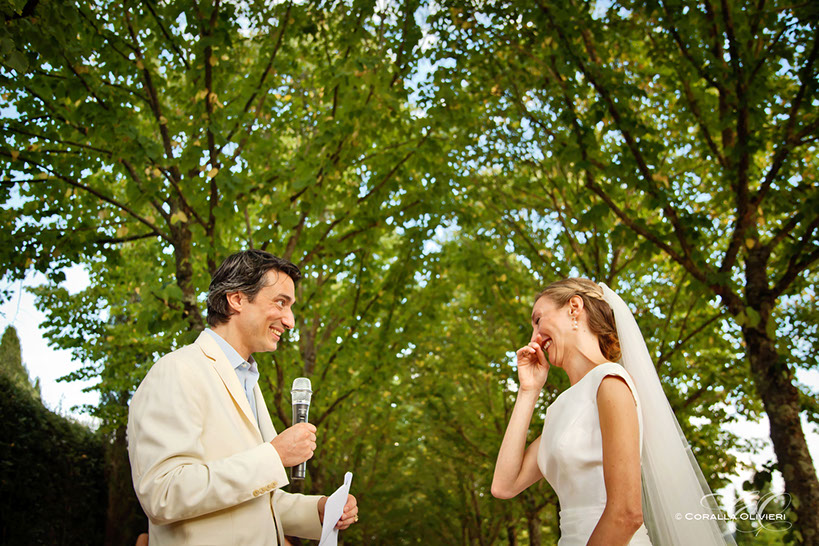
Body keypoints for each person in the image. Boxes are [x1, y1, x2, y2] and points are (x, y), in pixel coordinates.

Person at [127, 250, 359, 545]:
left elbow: (256, 501)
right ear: (236, 299)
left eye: (291, 306)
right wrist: (274, 456)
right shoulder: (177, 370)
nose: (290, 320)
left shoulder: (249, 383)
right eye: (281, 302)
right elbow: (164, 494)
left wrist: (319, 510)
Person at [491, 278, 733, 546]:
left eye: (538, 320)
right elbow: (504, 485)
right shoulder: (558, 408)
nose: (533, 337)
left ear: (574, 307)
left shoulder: (610, 381)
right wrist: (528, 390)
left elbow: (627, 514)